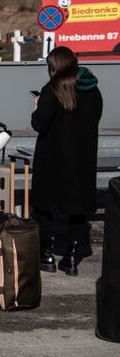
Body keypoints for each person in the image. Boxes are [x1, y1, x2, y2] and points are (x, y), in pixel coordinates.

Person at [31, 46, 103, 276]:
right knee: (77, 209)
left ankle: (47, 254)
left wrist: (37, 107)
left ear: (54, 66)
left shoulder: (52, 90)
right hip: (82, 159)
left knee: (43, 206)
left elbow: (39, 124)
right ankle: (72, 257)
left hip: (52, 158)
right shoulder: (93, 90)